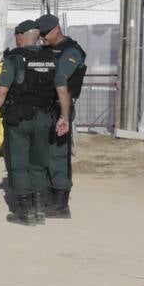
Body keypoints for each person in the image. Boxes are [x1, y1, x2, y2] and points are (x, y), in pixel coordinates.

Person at [0, 20, 50, 226]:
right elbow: (63, 90)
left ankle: (25, 212)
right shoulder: (51, 58)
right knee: (39, 163)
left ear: (21, 37)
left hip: (18, 118)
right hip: (45, 117)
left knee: (19, 164)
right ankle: (39, 210)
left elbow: (1, 90)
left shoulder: (13, 59)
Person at [38, 13, 86, 219]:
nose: (42, 38)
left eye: (45, 34)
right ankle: (47, 196)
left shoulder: (72, 50)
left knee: (58, 153)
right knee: (43, 153)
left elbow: (61, 76)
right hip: (43, 106)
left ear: (57, 29)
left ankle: (60, 203)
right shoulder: (43, 50)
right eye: (40, 34)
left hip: (61, 108)